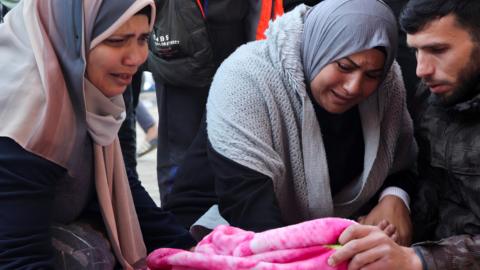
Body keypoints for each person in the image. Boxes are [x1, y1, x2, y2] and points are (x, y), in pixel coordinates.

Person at [166, 0, 417, 244]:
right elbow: (250, 211)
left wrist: (394, 198)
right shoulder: (247, 79)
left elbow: (401, 162)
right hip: (223, 225)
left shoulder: (387, 84)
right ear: (320, 47)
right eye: (343, 66)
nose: (354, 86)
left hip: (324, 233)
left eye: (371, 75)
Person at [0, 0, 195, 269]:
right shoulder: (28, 114)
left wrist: (188, 248)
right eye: (116, 40)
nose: (137, 57)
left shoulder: (78, 84)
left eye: (142, 39)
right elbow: (18, 255)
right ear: (72, 35)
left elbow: (118, 182)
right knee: (90, 254)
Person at [327, 0, 480, 269]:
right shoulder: (434, 96)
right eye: (417, 51)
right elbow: (433, 186)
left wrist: (418, 260)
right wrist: (389, 222)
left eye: (438, 50)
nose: (421, 70)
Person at [149, 0, 283, 204]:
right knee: (180, 153)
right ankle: (179, 223)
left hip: (236, 32)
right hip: (181, 32)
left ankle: (222, 223)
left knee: (237, 146)